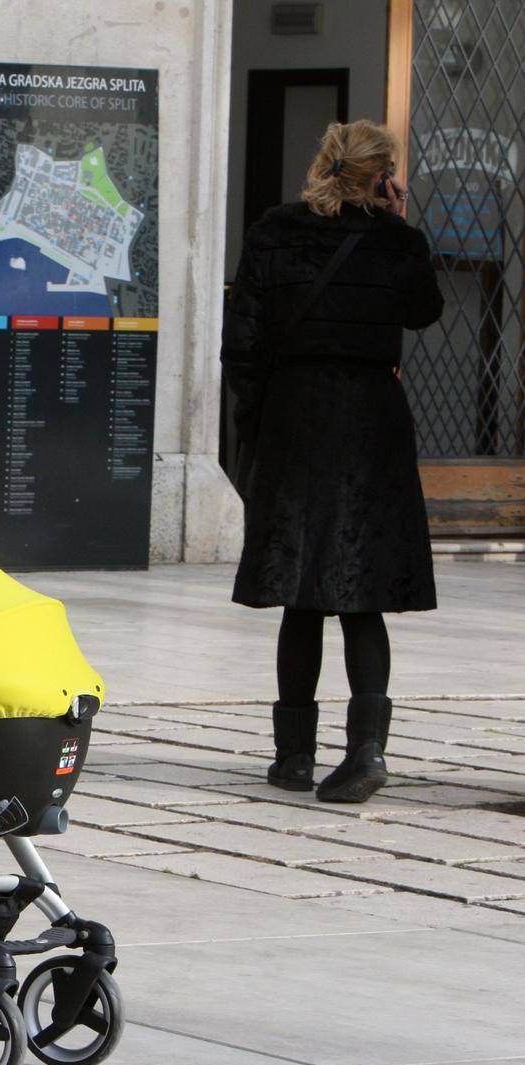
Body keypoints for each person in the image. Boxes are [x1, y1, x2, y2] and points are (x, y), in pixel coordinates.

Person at [222, 119, 444, 805]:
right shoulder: (396, 241)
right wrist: (398, 221)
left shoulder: (274, 232)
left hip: (297, 414)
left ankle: (292, 757)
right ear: (382, 176)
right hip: (372, 419)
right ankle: (366, 749)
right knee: (362, 592)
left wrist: (255, 417)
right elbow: (425, 312)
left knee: (301, 590)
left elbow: (244, 340)